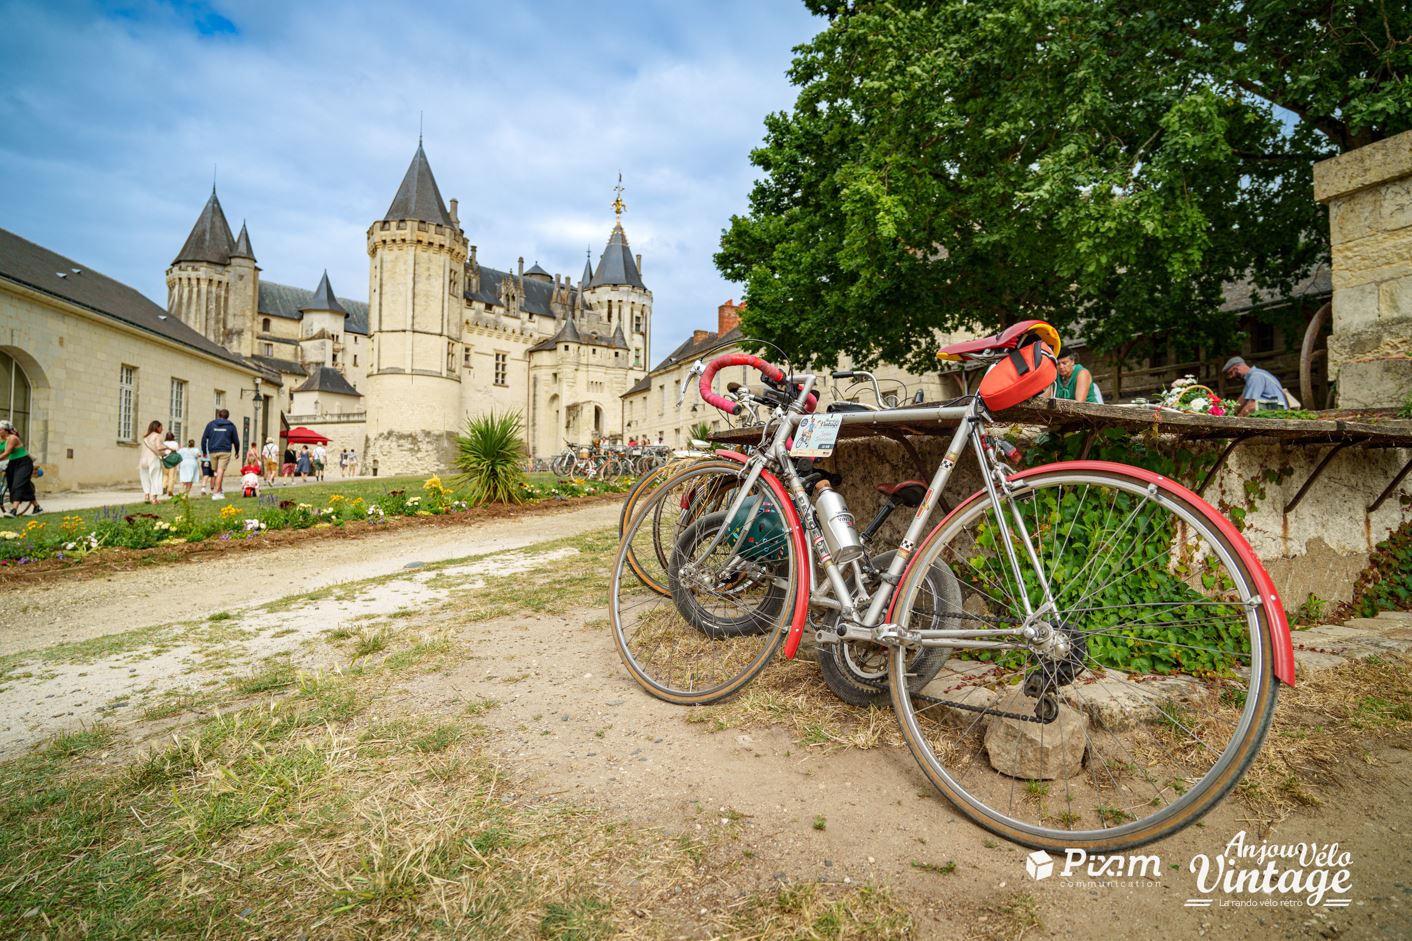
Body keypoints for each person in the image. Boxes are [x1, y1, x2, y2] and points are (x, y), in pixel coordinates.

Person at [0, 419, 41, 516]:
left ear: (6, 430)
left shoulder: (12, 438)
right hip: (12, 463)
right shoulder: (2, 440)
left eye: (0, 429)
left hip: (24, 462)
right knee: (23, 486)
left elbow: (7, 453)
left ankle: (13, 511)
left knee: (17, 485)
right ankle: (37, 508)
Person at [1223, 356, 1288, 417]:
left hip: (1276, 413)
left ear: (1236, 368)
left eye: (1231, 373)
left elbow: (1251, 406)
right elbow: (1242, 400)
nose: (1231, 377)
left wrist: (1237, 419)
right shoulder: (1253, 376)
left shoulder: (1255, 377)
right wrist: (1227, 413)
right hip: (1272, 411)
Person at [199, 408, 240, 500]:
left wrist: (204, 451)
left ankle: (219, 490)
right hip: (225, 450)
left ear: (218, 415)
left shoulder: (210, 424)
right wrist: (237, 451)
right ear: (228, 416)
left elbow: (204, 438)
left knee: (215, 472)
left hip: (213, 451)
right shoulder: (231, 426)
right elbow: (236, 440)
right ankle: (216, 492)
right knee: (220, 471)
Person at [139, 420, 173, 505]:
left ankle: (146, 495)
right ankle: (154, 499)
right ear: (157, 428)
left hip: (143, 460)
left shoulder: (145, 437)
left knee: (145, 478)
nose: (162, 429)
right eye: (161, 427)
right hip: (153, 459)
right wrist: (168, 449)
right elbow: (158, 448)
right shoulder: (158, 436)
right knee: (156, 478)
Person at [161, 429, 181, 495]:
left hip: (165, 459)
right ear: (173, 437)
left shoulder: (163, 443)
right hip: (173, 460)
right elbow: (177, 451)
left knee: (165, 475)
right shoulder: (175, 443)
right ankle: (170, 490)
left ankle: (164, 486)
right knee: (172, 476)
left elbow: (161, 451)